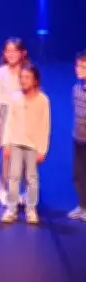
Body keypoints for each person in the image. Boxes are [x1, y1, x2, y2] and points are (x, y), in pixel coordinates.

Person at [1, 64, 49, 224]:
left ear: (35, 81)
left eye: (27, 77)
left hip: (33, 146)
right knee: (13, 176)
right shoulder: (15, 97)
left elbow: (45, 125)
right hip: (16, 142)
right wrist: (6, 143)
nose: (23, 80)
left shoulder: (43, 100)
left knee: (32, 178)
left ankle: (31, 209)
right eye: (21, 77)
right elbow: (9, 121)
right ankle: (11, 208)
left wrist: (42, 149)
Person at [0, 38, 29, 207]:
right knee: (6, 155)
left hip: (24, 116)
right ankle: (2, 189)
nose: (11, 54)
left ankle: (23, 191)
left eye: (15, 51)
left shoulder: (27, 72)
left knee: (25, 156)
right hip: (4, 116)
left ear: (22, 53)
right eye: (8, 51)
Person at [69, 50, 86, 221]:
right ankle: (82, 205)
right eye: (78, 65)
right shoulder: (76, 89)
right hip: (78, 137)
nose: (78, 69)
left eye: (83, 66)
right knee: (78, 173)